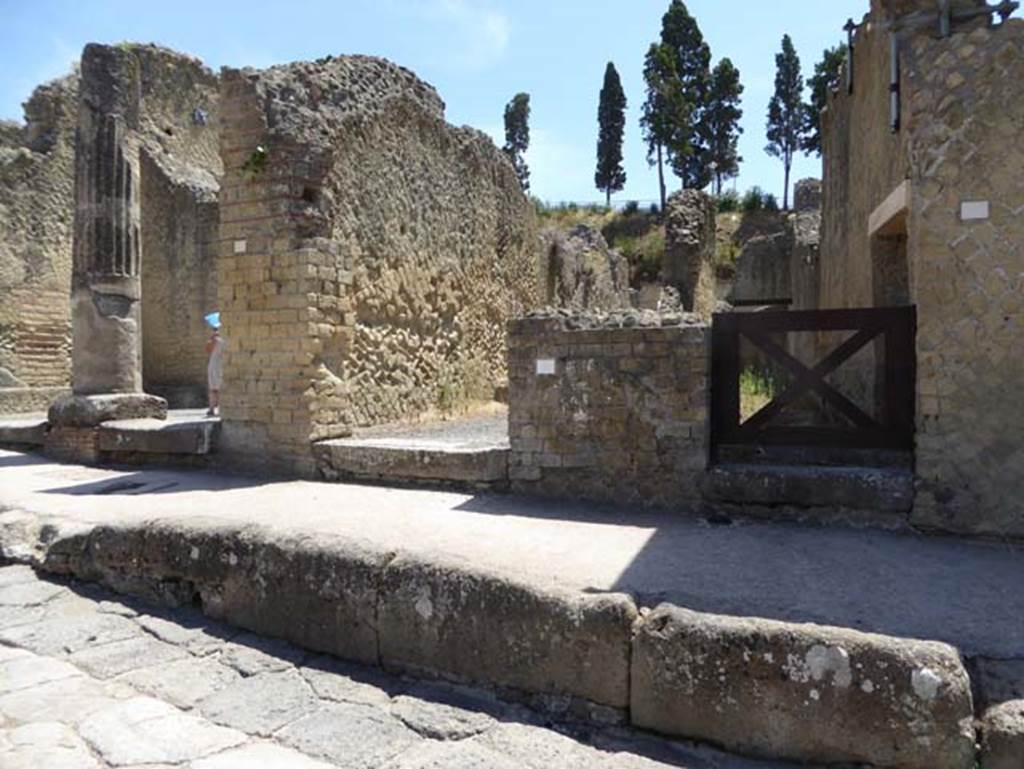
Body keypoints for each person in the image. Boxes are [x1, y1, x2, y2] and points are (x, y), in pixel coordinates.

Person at [204, 312, 224, 417]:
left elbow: (207, 350)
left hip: (217, 365)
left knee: (216, 388)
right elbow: (208, 350)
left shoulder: (218, 339)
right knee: (214, 388)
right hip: (216, 364)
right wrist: (212, 339)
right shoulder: (215, 339)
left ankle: (216, 409)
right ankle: (213, 409)